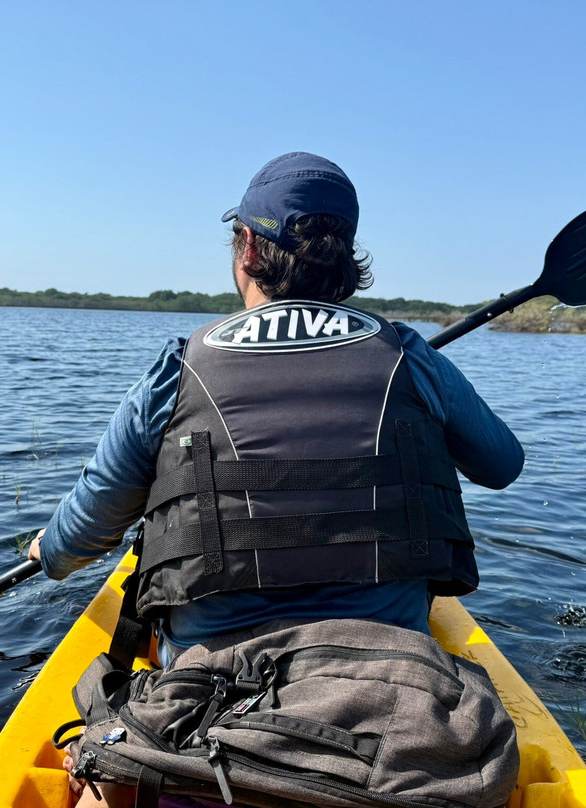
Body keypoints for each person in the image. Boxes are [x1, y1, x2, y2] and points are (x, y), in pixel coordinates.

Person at [30, 152, 524, 803]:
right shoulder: (410, 354)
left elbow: (82, 535)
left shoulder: (178, 367)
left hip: (208, 691)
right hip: (396, 679)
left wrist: (47, 550)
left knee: (101, 760)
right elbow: (502, 464)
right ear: (346, 259)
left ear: (246, 248)